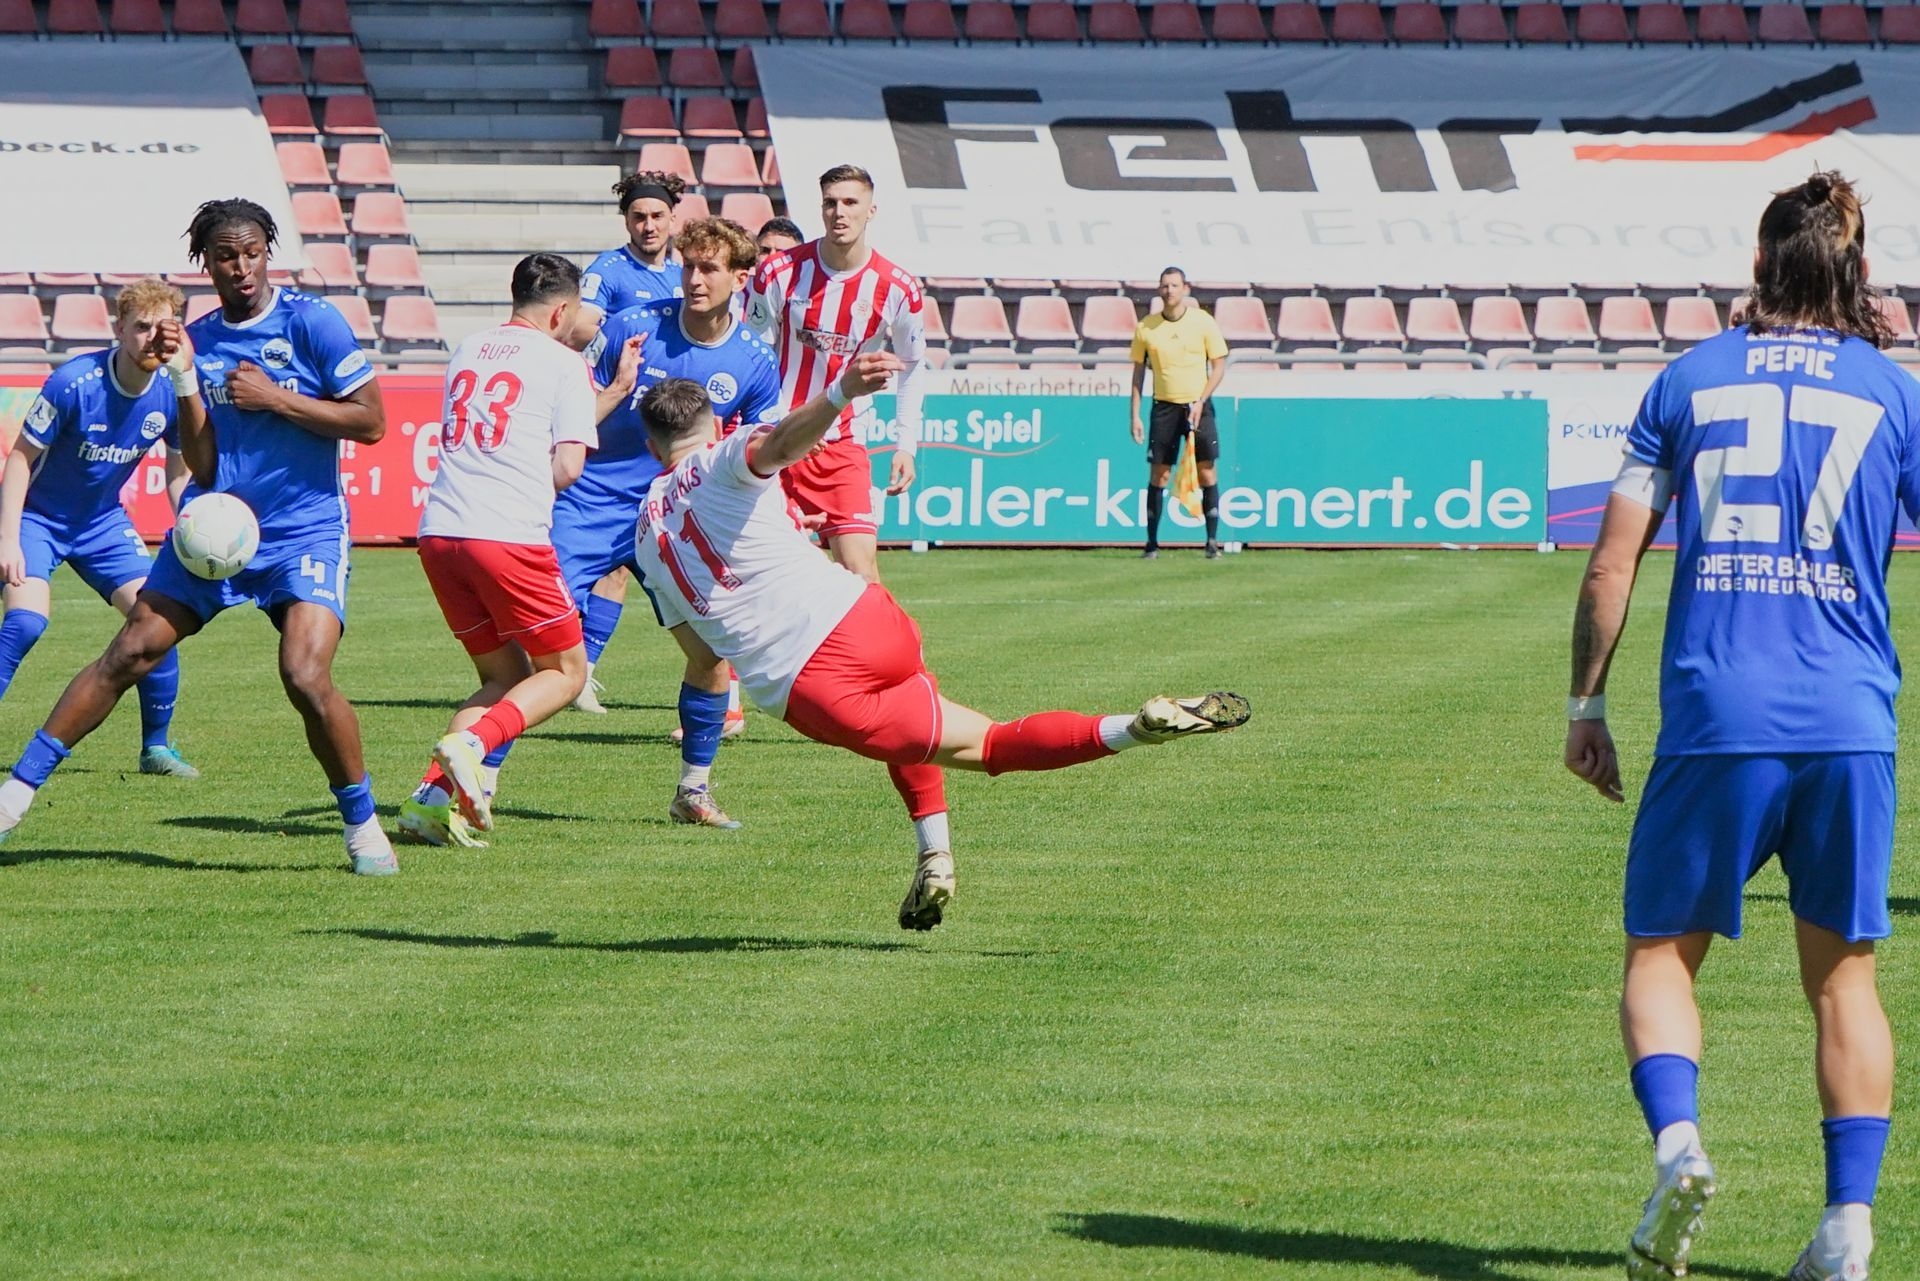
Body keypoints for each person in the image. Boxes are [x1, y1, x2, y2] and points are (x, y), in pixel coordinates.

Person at [1564, 171, 1911, 1281]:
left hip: (1719, 712)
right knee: (1845, 980)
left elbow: (1611, 564)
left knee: (1661, 951)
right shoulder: (1894, 391)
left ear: (1759, 265)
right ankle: (1848, 1230)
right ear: (1856, 270)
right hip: (1850, 716)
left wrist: (1586, 704)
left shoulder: (1689, 379)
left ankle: (1680, 1150)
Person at [631, 360, 1250, 930]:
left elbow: (704, 657)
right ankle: (934, 855)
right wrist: (836, 399)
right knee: (924, 701)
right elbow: (775, 449)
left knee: (990, 746)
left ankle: (1134, 730)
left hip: (811, 683)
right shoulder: (726, 457)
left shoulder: (643, 534)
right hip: (863, 616)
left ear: (653, 446)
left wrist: (841, 392)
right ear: (714, 423)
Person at [0, 199, 398, 876]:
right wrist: (186, 379)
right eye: (225, 256)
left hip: (303, 531)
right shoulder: (199, 342)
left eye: (252, 253)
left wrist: (276, 398)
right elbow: (204, 467)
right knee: (130, 651)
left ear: (268, 252)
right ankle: (15, 796)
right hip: (215, 529)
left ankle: (363, 826)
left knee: (304, 675)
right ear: (205, 264)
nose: (241, 267)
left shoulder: (313, 322)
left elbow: (371, 423)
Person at [563, 219, 782, 802]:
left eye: (709, 268)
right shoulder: (632, 327)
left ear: (740, 278)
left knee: (710, 655)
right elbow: (572, 410)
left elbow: (759, 450)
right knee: (534, 658)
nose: (694, 279)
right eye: (688, 267)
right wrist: (615, 390)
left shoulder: (756, 360)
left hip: (679, 519)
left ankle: (694, 791)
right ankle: (465, 779)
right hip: (593, 505)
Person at [397, 253, 596, 848]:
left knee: (502, 676)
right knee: (566, 673)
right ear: (561, 311)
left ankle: (429, 803)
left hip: (440, 532)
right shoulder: (564, 363)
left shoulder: (469, 348)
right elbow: (568, 467)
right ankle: (473, 744)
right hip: (507, 534)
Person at [0, 277, 198, 778]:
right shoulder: (73, 382)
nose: (152, 337)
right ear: (119, 329)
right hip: (37, 518)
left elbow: (178, 475)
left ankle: (156, 749)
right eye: (141, 327)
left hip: (102, 524)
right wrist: (7, 539)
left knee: (158, 621)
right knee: (26, 623)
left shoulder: (172, 394)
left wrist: (191, 526)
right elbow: (20, 459)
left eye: (163, 327)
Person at [742, 164, 926, 585]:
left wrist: (906, 445)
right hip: (775, 437)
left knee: (861, 573)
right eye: (830, 203)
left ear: (871, 210)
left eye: (850, 203)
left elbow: (913, 366)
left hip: (841, 444)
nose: (839, 212)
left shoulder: (897, 287)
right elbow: (752, 356)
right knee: (763, 575)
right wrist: (779, 421)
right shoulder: (778, 272)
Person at [562, 169, 689, 710]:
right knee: (610, 567)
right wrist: (624, 341)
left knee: (679, 574)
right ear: (626, 221)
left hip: (667, 448)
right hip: (616, 446)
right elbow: (579, 327)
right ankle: (574, 672)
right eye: (639, 216)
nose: (648, 225)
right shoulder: (609, 271)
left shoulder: (685, 274)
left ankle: (722, 689)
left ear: (673, 219)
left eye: (657, 215)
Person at [1129, 268, 1227, 560]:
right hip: (1164, 407)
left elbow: (1219, 367)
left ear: (1185, 288)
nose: (1169, 290)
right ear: (1159, 290)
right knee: (1159, 474)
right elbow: (1137, 374)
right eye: (1164, 286)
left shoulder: (1203, 322)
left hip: (1198, 406)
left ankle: (1212, 542)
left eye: (1174, 285)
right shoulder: (1146, 327)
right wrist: (1134, 415)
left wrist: (1201, 400)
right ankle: (1151, 544)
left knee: (1206, 469)